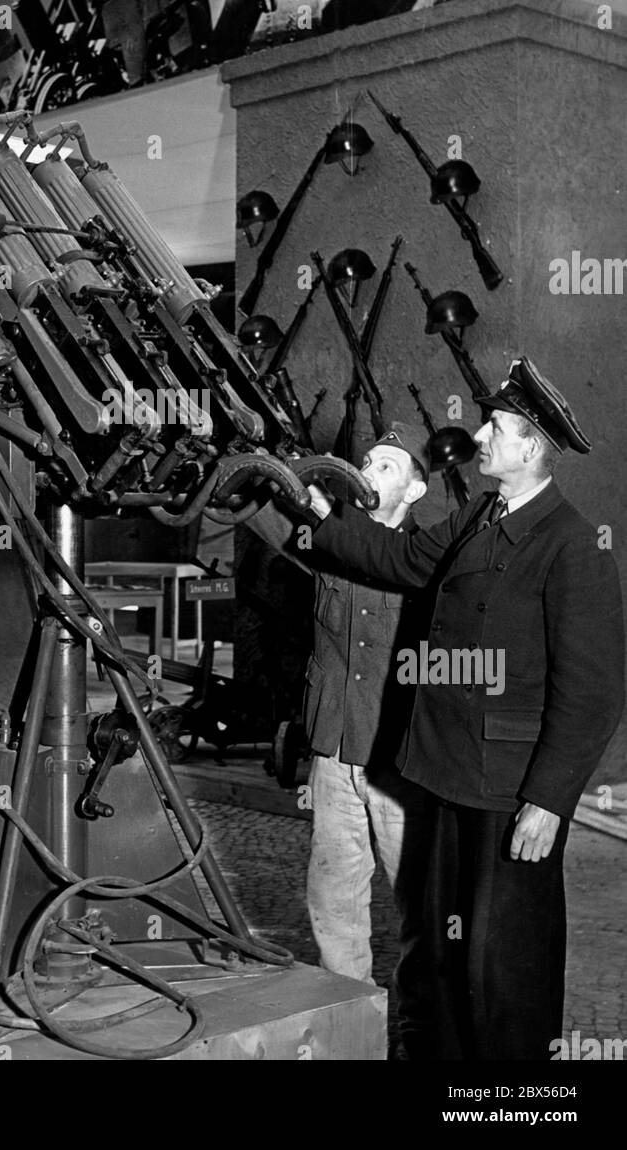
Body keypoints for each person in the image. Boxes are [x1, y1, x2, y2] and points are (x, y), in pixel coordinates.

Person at [301, 357, 624, 1061]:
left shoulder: (569, 544)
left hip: (508, 790)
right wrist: (327, 521)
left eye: (495, 428)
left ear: (530, 448)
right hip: (444, 769)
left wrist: (547, 801)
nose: (479, 437)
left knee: (501, 962)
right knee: (437, 948)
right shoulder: (480, 513)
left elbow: (593, 692)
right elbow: (405, 559)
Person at [251, 422, 434, 1057]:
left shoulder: (428, 558)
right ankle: (351, 1036)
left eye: (386, 467)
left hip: (399, 764)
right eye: (366, 461)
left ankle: (420, 1039)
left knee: (423, 913)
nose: (368, 472)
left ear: (415, 490)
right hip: (334, 752)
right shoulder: (330, 542)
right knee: (333, 902)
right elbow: (263, 517)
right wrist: (257, 467)